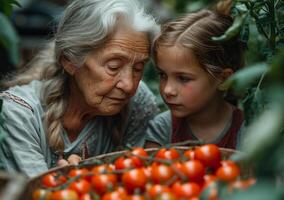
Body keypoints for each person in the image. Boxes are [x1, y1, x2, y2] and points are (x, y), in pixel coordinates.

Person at [0, 0, 160, 177]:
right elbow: (39, 193)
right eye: (113, 67)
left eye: (138, 69)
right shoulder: (18, 113)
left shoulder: (137, 102)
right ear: (69, 61)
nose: (129, 85)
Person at [144, 6, 246, 150]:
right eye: (163, 75)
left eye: (183, 78)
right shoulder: (163, 128)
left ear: (223, 79)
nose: (168, 90)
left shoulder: (246, 129)